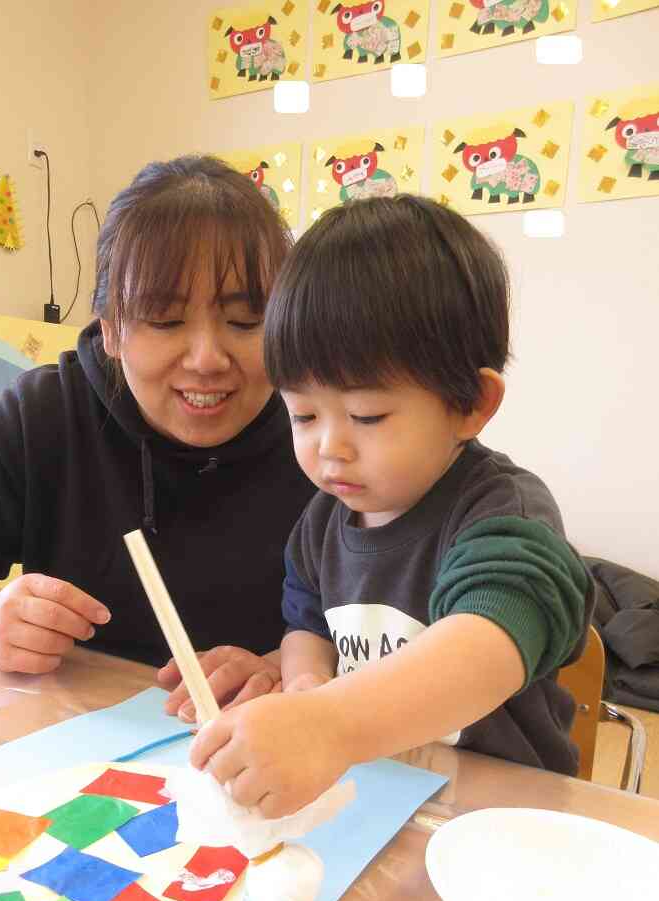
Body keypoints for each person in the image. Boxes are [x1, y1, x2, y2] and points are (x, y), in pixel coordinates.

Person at [190, 194, 594, 819]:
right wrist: (305, 687)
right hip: (380, 804)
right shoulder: (321, 523)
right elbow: (307, 627)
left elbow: (490, 639)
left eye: (367, 415)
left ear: (472, 405)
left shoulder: (501, 512)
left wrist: (327, 723)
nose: (330, 449)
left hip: (500, 818)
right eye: (302, 414)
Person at [0, 155, 313, 704]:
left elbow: (428, 619)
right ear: (110, 329)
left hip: (291, 757)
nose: (207, 358)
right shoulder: (47, 413)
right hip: (82, 752)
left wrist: (296, 666)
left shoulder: (331, 428)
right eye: (165, 320)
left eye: (246, 321)